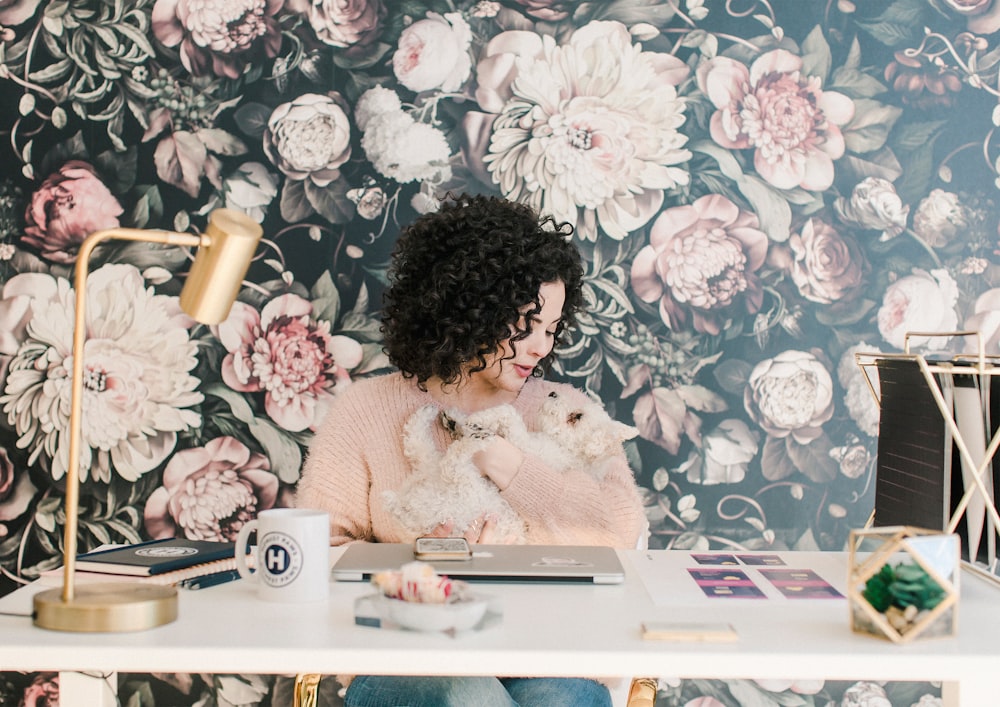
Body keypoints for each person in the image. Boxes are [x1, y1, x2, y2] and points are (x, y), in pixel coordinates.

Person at [295, 193, 647, 707]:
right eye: (526, 323)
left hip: (544, 657)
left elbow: (619, 530)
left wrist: (513, 468)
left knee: (560, 701)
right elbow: (316, 554)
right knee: (462, 692)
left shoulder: (562, 410)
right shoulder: (367, 411)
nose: (539, 347)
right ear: (471, 306)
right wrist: (427, 560)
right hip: (405, 657)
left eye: (550, 329)